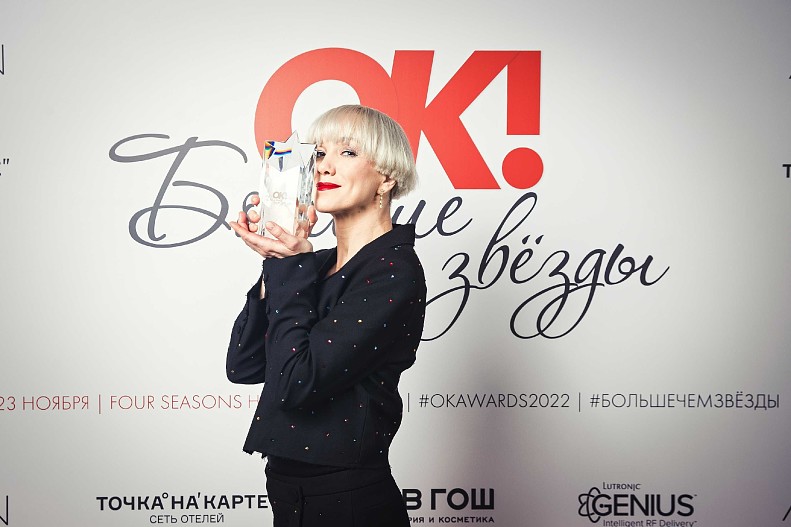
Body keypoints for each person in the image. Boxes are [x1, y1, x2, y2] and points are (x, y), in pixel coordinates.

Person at [227, 104, 426, 526]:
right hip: (289, 495)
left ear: (386, 177)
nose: (323, 166)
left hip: (348, 500)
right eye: (318, 153)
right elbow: (244, 365)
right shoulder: (313, 266)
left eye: (347, 152)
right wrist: (278, 261)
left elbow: (298, 382)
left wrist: (289, 267)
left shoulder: (392, 271)